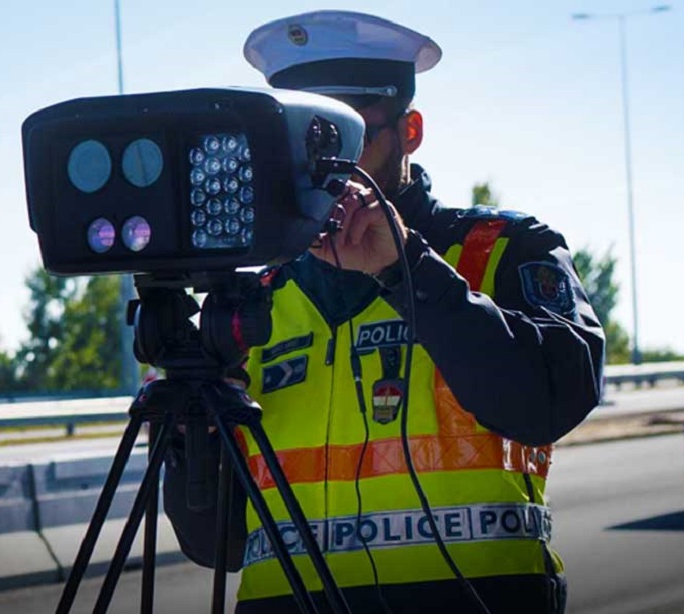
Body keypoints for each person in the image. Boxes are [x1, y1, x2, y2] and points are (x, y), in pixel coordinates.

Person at [163, 10, 605, 614]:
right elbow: (216, 544)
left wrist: (405, 268)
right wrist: (196, 432)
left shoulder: (501, 248)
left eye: (349, 139)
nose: (323, 170)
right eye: (304, 144)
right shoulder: (249, 296)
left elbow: (551, 400)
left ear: (411, 130)